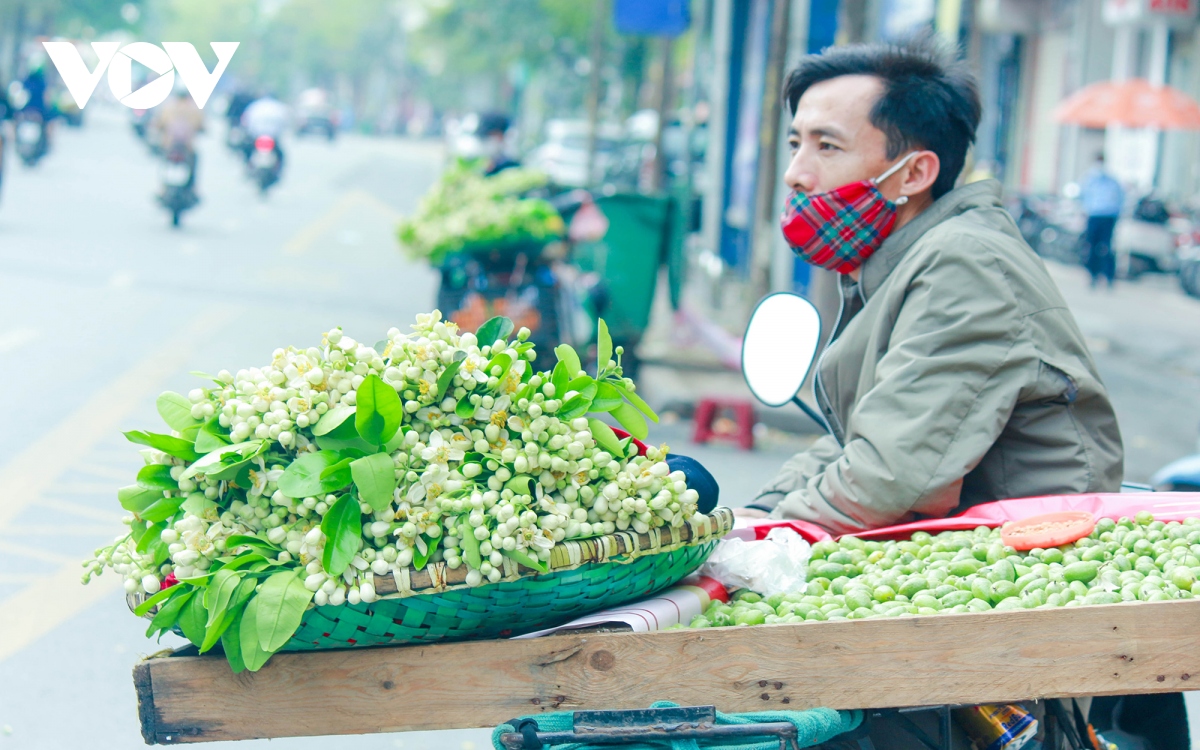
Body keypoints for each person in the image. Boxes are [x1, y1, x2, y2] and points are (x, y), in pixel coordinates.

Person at [1080, 154, 1124, 288]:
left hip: (1108, 217)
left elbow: (1121, 199)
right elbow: (1082, 197)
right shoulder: (1089, 179)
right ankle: (1093, 275)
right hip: (1093, 216)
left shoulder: (1112, 181)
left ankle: (1108, 276)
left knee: (1106, 248)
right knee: (1092, 247)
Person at [150, 87, 205, 190]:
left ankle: (161, 188)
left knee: (162, 160)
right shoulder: (194, 109)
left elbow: (158, 124)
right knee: (194, 160)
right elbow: (201, 125)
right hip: (187, 146)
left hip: (169, 144)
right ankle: (193, 187)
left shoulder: (168, 107)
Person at [241, 92, 290, 166]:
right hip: (271, 136)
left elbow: (246, 121)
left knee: (247, 149)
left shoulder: (255, 106)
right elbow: (285, 123)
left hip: (257, 135)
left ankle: (248, 165)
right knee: (280, 155)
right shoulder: (279, 107)